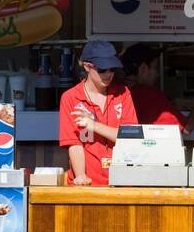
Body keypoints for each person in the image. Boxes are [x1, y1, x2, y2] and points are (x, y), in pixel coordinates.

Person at [59, 40, 139, 186]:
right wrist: (81, 176)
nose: (109, 74)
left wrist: (94, 125)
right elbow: (74, 143)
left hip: (122, 181)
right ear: (87, 66)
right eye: (102, 69)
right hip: (87, 182)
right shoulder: (70, 97)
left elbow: (131, 137)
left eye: (112, 69)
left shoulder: (123, 93)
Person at [120, 43, 194, 135]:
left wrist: (172, 103)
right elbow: (186, 129)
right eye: (155, 68)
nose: (157, 74)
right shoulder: (150, 95)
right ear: (143, 68)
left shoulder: (116, 91)